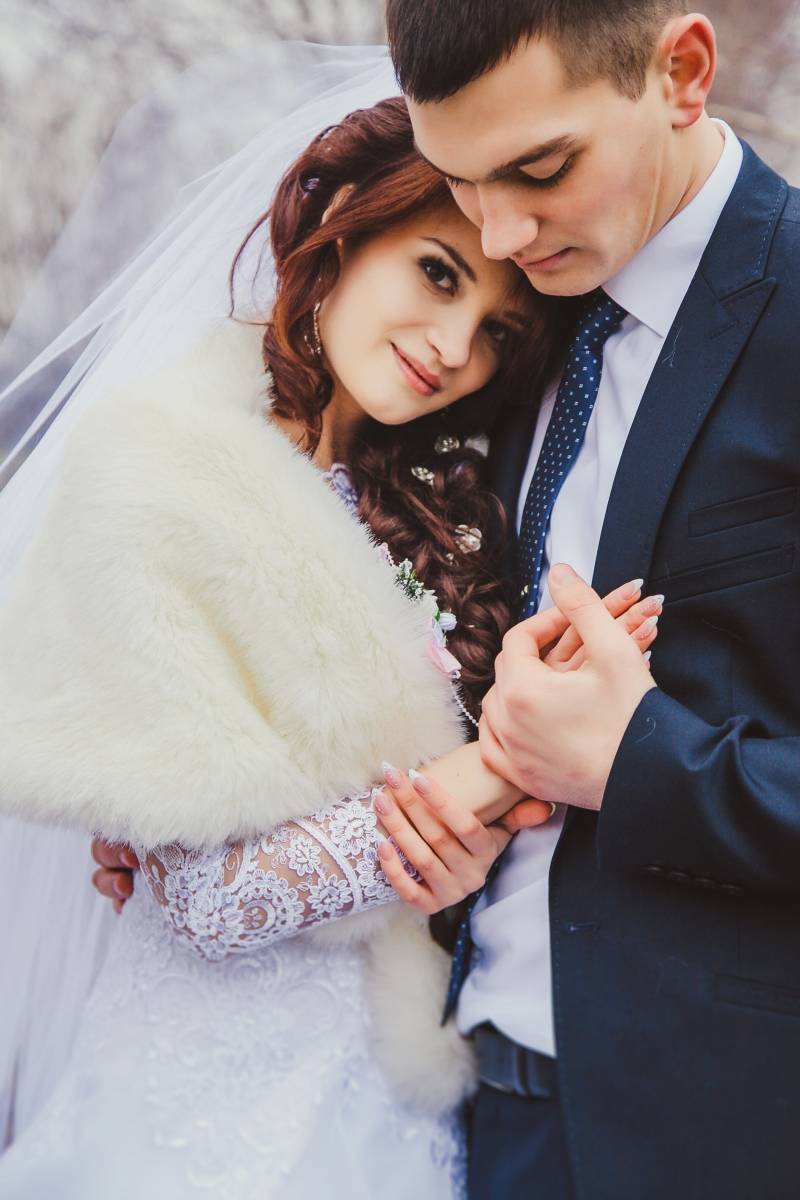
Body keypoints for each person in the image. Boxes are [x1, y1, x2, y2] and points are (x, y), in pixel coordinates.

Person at [0, 79, 659, 1196]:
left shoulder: (439, 506)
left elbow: (383, 835)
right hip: (198, 1105)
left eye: (497, 331)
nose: (453, 346)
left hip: (392, 1096)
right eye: (437, 272)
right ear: (345, 223)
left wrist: (446, 863)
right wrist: (502, 764)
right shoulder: (154, 470)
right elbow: (207, 900)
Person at [380, 2, 800, 1197]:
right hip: (460, 1101)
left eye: (539, 169)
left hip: (726, 1132)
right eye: (459, 181)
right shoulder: (495, 319)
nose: (498, 230)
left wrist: (636, 764)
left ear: (681, 71)